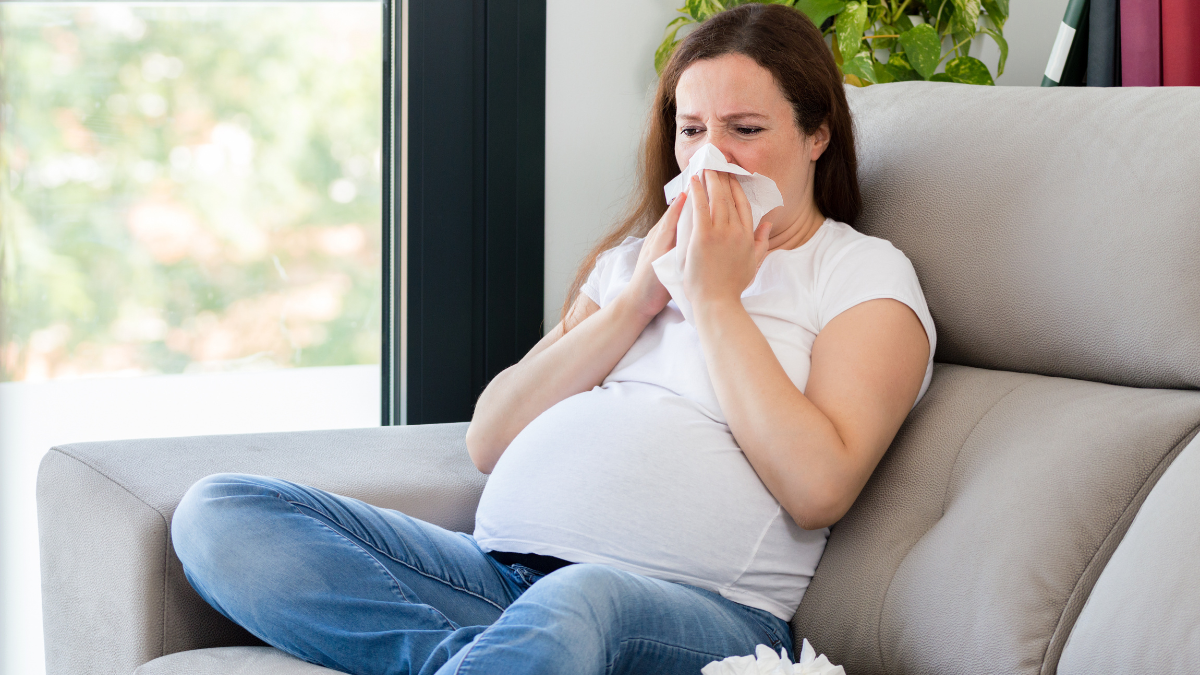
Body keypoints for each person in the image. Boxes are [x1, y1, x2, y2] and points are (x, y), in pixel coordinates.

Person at [171, 4, 936, 675]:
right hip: (496, 580)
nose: (711, 157)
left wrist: (712, 296)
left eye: (745, 130)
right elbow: (491, 435)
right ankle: (483, 660)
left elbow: (818, 487)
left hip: (700, 611)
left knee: (581, 597)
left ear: (817, 136)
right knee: (219, 511)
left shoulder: (861, 274)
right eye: (693, 129)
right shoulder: (631, 267)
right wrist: (637, 300)